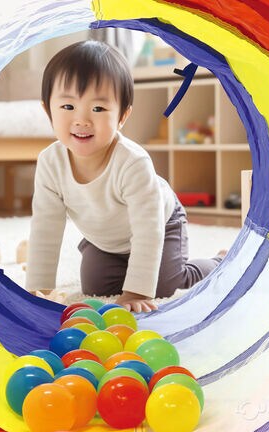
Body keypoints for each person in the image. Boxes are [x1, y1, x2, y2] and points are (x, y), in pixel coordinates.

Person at [26, 40, 224, 312]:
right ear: (48, 110)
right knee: (96, 286)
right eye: (68, 107)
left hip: (160, 223)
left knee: (163, 285)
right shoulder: (50, 162)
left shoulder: (132, 162)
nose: (82, 120)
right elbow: (45, 227)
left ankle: (218, 261)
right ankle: (114, 260)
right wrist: (39, 290)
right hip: (106, 239)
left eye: (98, 109)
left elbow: (148, 230)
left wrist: (136, 292)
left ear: (122, 116)